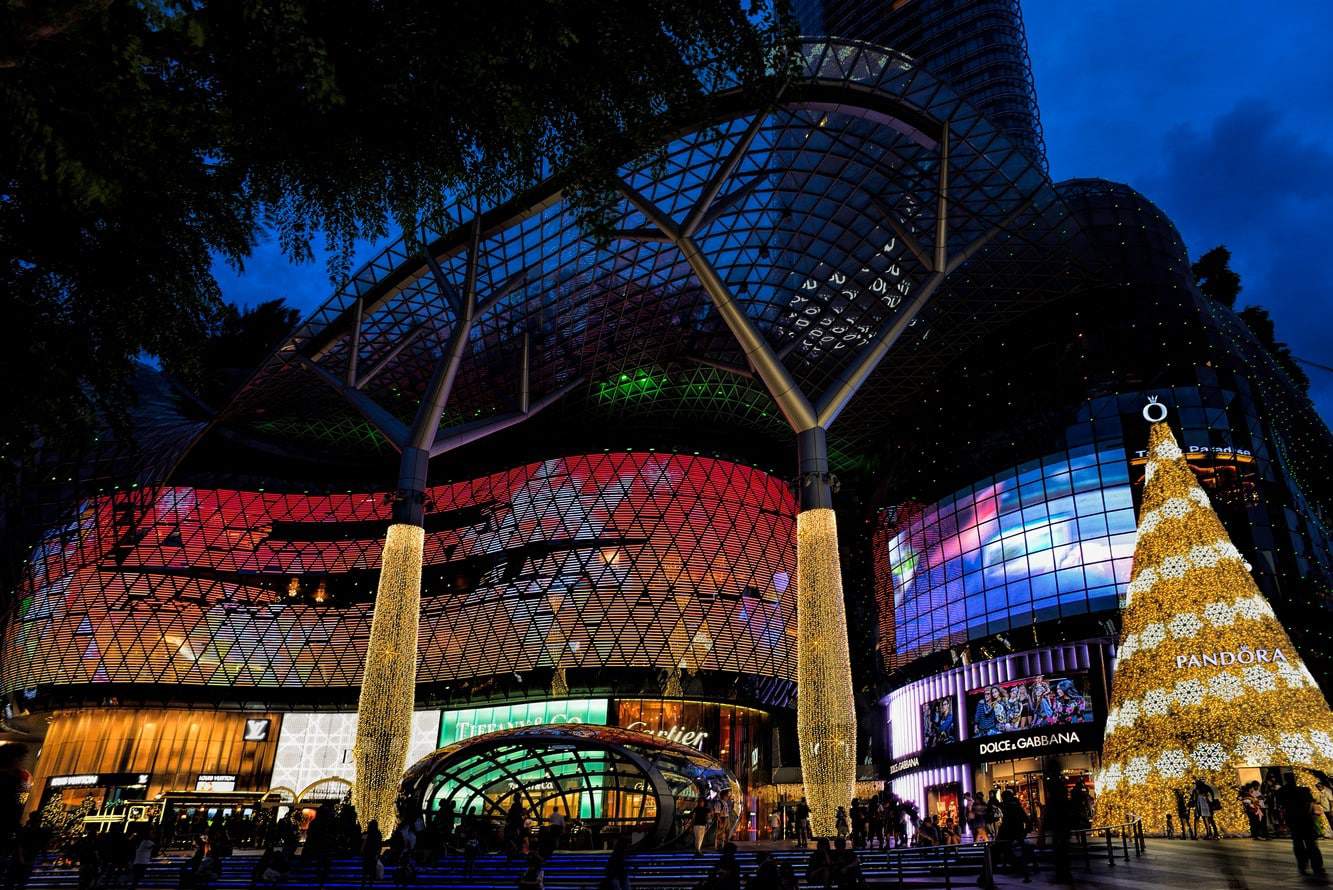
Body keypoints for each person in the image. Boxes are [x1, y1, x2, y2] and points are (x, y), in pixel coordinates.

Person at [1278, 773, 1326, 876]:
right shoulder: (1303, 790)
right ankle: (1317, 866)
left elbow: (1282, 807)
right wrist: (1309, 816)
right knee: (1311, 844)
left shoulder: (1282, 791)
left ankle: (1303, 865)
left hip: (1294, 820)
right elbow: (1310, 804)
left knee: (1298, 844)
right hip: (1305, 820)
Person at [995, 789, 1032, 882]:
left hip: (1009, 834)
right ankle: (1025, 874)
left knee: (999, 851)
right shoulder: (1016, 806)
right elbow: (1027, 821)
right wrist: (1024, 833)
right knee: (1020, 853)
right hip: (1017, 833)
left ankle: (988, 875)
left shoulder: (1008, 807)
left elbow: (1006, 823)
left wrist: (1000, 834)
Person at [361, 819, 383, 888]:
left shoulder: (367, 833)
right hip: (373, 854)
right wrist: (378, 853)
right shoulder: (378, 834)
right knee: (371, 871)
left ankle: (363, 885)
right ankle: (370, 884)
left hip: (367, 853)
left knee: (365, 871)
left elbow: (363, 843)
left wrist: (362, 850)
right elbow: (379, 845)